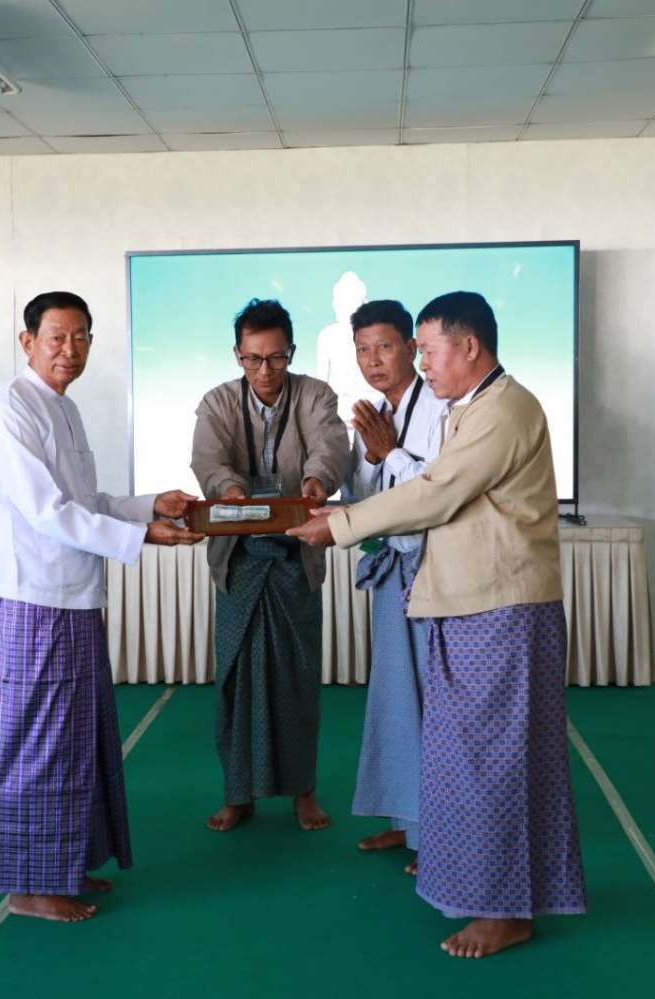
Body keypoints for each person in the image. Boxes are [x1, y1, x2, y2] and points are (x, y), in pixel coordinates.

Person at [289, 291, 587, 959]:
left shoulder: (503, 409)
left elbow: (436, 493)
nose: (419, 363)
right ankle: (497, 893)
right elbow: (430, 492)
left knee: (491, 763)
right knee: (470, 760)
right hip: (470, 603)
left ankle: (503, 910)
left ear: (469, 346)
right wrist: (342, 512)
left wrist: (341, 524)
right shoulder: (474, 408)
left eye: (425, 349)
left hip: (498, 609)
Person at [0, 291, 201, 923]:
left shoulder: (62, 408)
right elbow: (47, 513)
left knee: (76, 740)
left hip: (72, 595)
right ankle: (28, 885)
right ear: (27, 341)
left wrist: (150, 505)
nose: (69, 350)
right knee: (37, 745)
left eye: (80, 338)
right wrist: (143, 535)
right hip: (35, 598)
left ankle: (65, 865)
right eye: (56, 337)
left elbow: (86, 501)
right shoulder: (7, 410)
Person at [191, 298, 351, 833]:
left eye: (276, 358)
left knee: (297, 679)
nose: (265, 370)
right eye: (254, 358)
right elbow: (209, 460)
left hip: (294, 556)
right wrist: (230, 492)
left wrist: (316, 482)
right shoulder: (217, 402)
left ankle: (304, 789)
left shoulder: (316, 395)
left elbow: (330, 444)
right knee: (236, 679)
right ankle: (238, 793)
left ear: (292, 353)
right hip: (240, 561)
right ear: (237, 355)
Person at [341, 300, 449, 866]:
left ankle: (439, 834)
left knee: (432, 700)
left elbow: (437, 491)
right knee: (396, 698)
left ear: (411, 348)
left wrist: (390, 451)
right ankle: (408, 821)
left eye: (384, 346)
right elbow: (360, 497)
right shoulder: (377, 413)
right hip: (391, 569)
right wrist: (367, 455)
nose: (373, 360)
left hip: (432, 570)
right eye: (363, 349)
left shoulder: (439, 408)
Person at [314, 271, 375, 423]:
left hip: (370, 411)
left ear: (363, 302)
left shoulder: (374, 335)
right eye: (339, 299)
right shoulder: (327, 335)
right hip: (337, 414)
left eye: (349, 298)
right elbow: (321, 382)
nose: (340, 303)